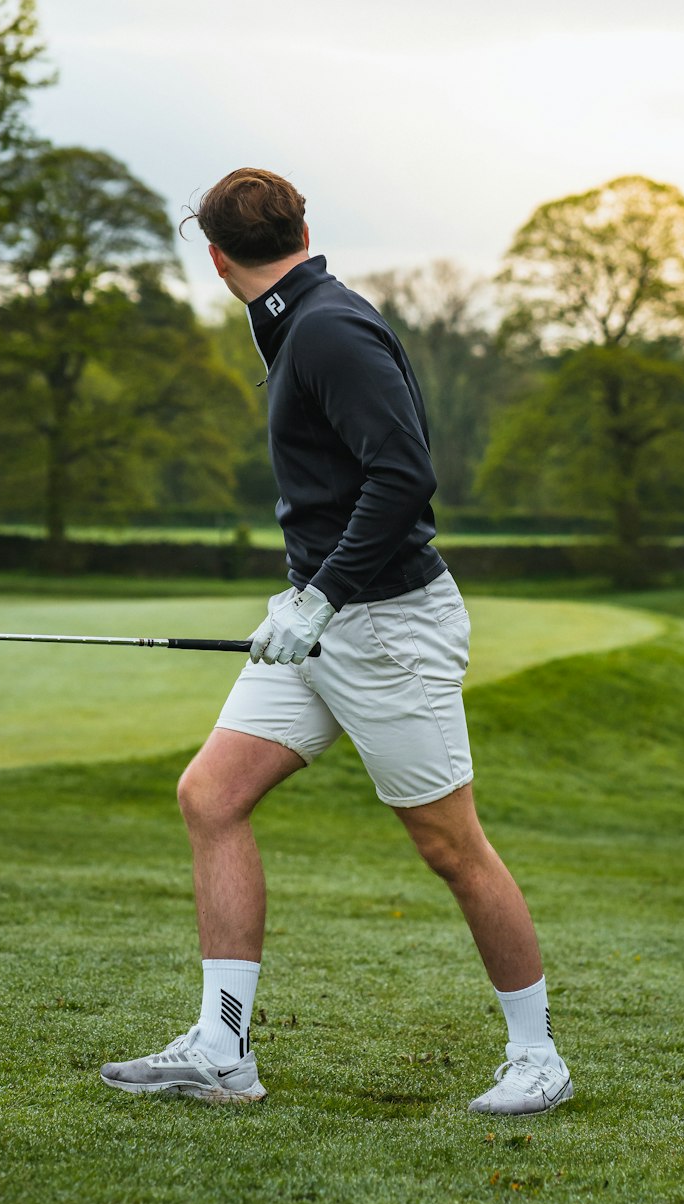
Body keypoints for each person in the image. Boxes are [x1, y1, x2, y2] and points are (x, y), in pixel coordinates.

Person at [100, 169, 572, 1116]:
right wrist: (303, 605)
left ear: (215, 254)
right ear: (304, 227)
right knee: (211, 794)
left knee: (452, 847)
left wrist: (317, 597)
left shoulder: (326, 327)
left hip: (388, 626)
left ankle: (538, 1057)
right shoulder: (296, 319)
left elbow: (403, 479)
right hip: (321, 621)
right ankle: (223, 1051)